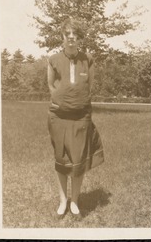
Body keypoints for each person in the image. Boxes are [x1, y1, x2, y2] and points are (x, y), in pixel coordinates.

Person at [47, 18, 104, 218]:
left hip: (81, 116)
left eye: (75, 35)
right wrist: (59, 101)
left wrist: (80, 103)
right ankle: (63, 201)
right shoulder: (53, 59)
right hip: (59, 117)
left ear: (79, 38)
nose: (71, 38)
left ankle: (75, 201)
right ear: (62, 37)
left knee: (78, 159)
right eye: (67, 35)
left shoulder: (88, 59)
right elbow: (51, 85)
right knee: (61, 158)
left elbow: (89, 86)